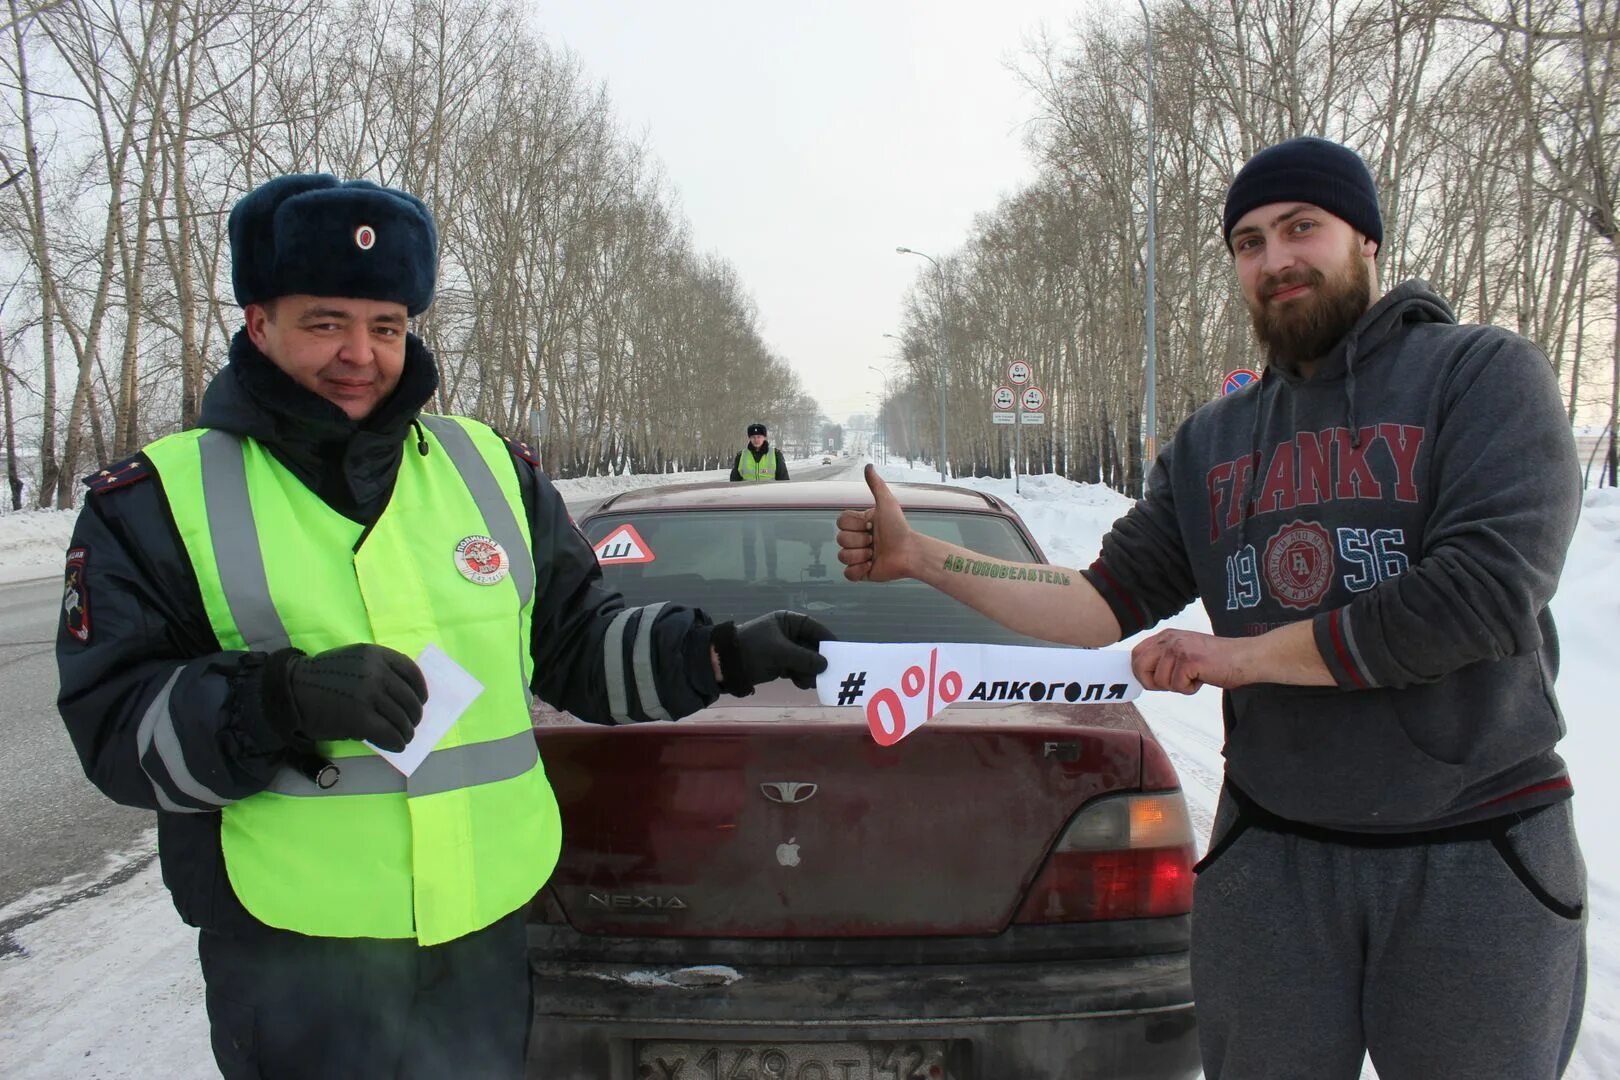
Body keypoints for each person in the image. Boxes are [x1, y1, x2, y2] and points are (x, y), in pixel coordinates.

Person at [836, 136, 1585, 1078]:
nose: (1275, 260)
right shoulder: (1216, 442)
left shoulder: (1480, 376)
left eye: (1301, 229)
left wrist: (1240, 657)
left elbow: (1481, 596)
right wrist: (924, 557)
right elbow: (1099, 602)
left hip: (1473, 849)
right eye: (1248, 242)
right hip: (1275, 855)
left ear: (1367, 240)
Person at [55, 174, 832, 1079]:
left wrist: (717, 653)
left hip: (482, 936)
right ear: (259, 323)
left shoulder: (488, 468)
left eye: (385, 326)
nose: (360, 353)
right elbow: (116, 731)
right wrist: (277, 700)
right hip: (295, 956)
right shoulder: (155, 499)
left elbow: (577, 646)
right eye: (325, 323)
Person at [730, 422, 787, 579]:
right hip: (746, 507)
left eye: (759, 436)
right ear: (749, 438)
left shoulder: (775, 454)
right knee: (748, 544)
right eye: (753, 437)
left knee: (770, 543)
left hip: (770, 507)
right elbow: (733, 482)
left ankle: (772, 575)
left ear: (764, 437)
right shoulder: (742, 455)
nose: (756, 439)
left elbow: (784, 482)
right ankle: (750, 576)